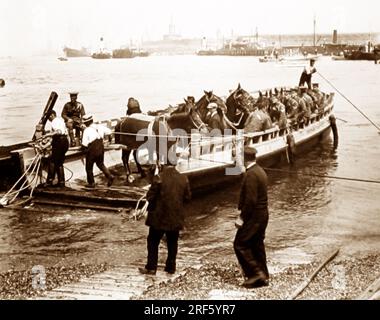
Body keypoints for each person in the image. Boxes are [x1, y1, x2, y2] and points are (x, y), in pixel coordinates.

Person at [138, 161, 191, 275]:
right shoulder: (183, 178)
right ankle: (170, 267)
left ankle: (151, 267)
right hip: (175, 217)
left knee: (153, 241)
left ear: (163, 164)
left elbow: (150, 197)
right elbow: (188, 197)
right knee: (172, 242)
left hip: (159, 217)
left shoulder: (159, 178)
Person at [234, 147, 269, 288]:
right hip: (262, 214)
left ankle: (255, 274)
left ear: (244, 159)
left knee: (240, 244)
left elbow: (250, 201)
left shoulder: (251, 175)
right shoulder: (260, 171)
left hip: (254, 216)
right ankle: (264, 274)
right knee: (257, 243)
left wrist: (241, 218)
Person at [81, 115, 114, 188]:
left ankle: (91, 183)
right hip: (100, 148)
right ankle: (109, 175)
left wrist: (83, 150)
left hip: (92, 150)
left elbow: (84, 144)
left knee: (89, 167)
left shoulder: (87, 130)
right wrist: (110, 140)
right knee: (100, 164)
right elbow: (109, 132)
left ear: (86, 123)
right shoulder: (99, 126)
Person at [44, 110, 69, 187]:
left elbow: (58, 131)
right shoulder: (60, 120)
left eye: (48, 118)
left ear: (52, 115)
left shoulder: (54, 121)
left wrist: (47, 135)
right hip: (64, 141)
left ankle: (49, 181)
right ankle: (61, 182)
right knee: (59, 162)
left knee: (52, 161)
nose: (49, 120)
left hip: (59, 142)